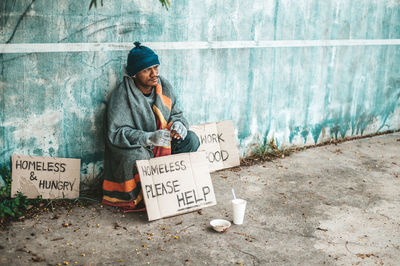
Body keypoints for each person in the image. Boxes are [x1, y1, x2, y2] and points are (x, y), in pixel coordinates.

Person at [102, 41, 200, 211]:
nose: (154, 74)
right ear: (134, 74)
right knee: (138, 156)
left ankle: (171, 187)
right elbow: (115, 133)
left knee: (191, 139)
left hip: (163, 145)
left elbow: (177, 114)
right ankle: (147, 197)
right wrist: (147, 138)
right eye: (147, 70)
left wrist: (178, 125)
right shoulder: (122, 94)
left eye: (156, 67)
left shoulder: (164, 85)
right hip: (137, 147)